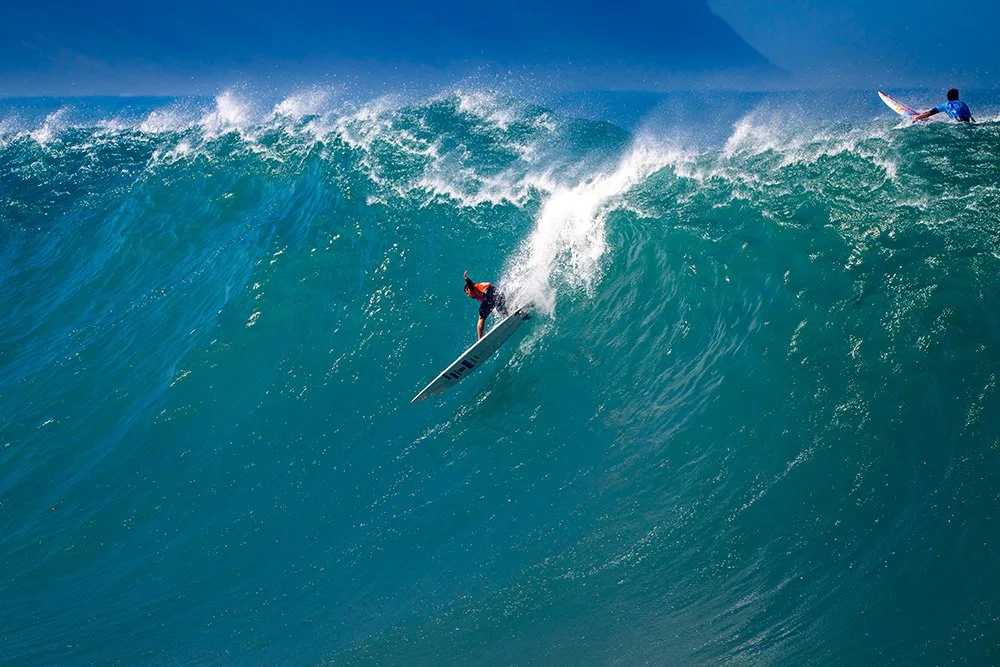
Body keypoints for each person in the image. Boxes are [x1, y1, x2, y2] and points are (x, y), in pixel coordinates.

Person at [464, 271, 508, 340]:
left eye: (467, 293)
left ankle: (479, 339)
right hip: (498, 293)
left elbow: (470, 286)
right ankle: (511, 316)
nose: (468, 295)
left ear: (468, 289)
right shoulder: (479, 287)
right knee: (501, 309)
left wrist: (467, 279)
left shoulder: (472, 289)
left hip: (489, 293)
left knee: (481, 318)